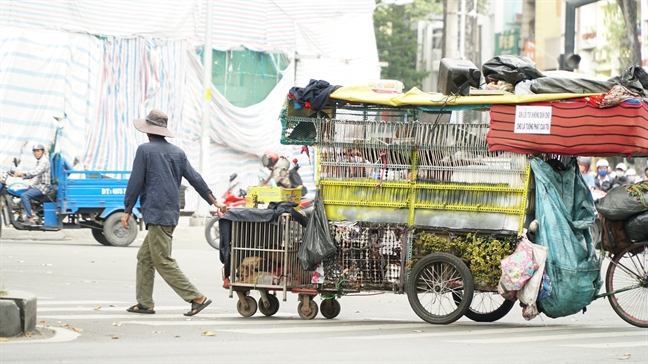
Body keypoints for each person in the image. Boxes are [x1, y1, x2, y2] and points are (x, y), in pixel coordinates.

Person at [122, 109, 227, 317]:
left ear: (148, 131)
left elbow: (135, 182)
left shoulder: (144, 150)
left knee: (162, 260)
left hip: (156, 212)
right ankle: (144, 303)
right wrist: (213, 200)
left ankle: (196, 298)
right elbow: (195, 178)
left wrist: (127, 210)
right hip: (170, 213)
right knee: (144, 257)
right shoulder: (177, 153)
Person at [13, 143, 51, 225]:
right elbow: (35, 176)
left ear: (43, 151)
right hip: (38, 186)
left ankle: (30, 219)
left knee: (24, 196)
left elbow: (35, 172)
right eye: (34, 151)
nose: (36, 153)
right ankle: (22, 215)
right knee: (22, 191)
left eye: (38, 151)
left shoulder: (44, 161)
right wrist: (22, 177)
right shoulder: (40, 161)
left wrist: (21, 173)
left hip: (43, 187)